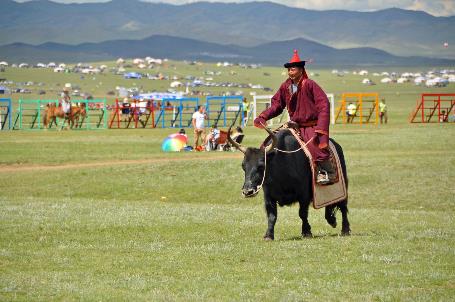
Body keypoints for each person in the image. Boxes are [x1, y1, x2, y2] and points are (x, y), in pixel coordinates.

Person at [253, 49, 335, 185]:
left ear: (301, 70)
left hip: (310, 125)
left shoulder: (310, 84)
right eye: (289, 70)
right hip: (293, 125)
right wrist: (263, 116)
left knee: (316, 148)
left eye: (293, 69)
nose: (290, 72)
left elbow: (324, 105)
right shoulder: (286, 86)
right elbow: (277, 105)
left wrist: (321, 127)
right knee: (269, 143)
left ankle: (328, 172)